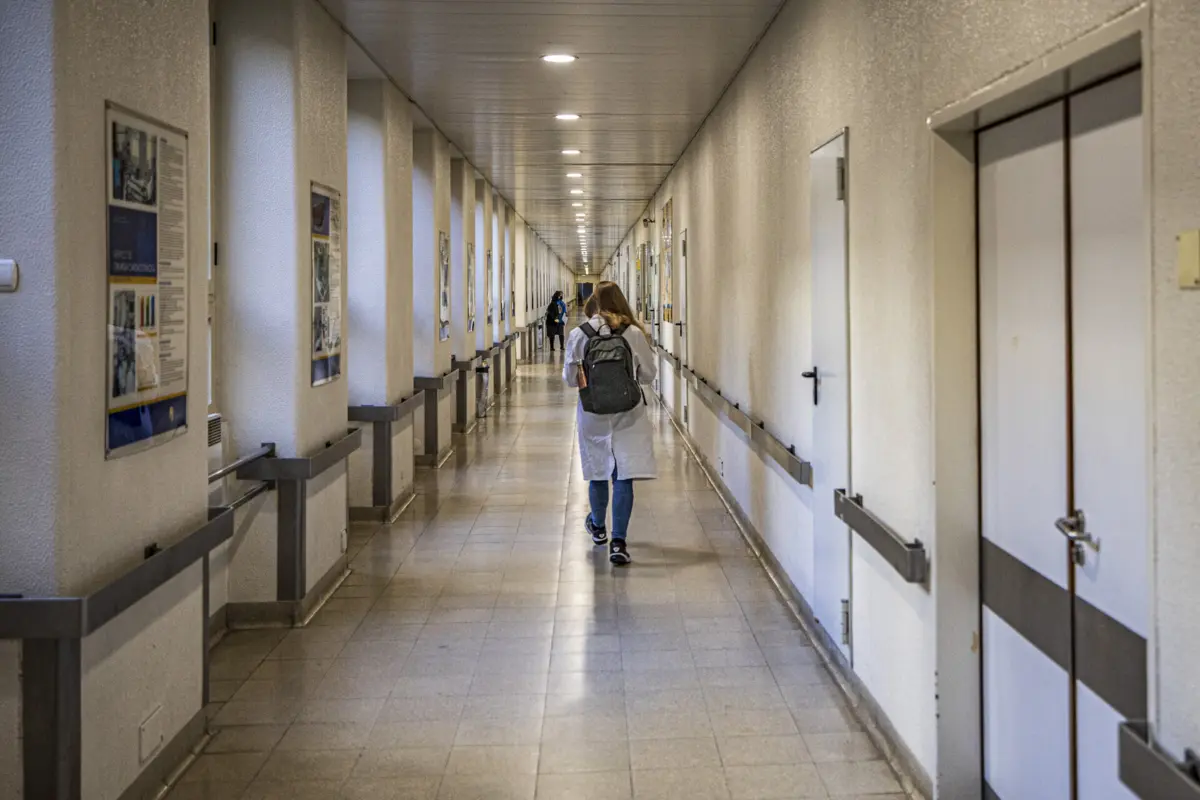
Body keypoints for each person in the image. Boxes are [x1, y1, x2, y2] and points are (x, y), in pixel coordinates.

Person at [563, 282, 657, 564]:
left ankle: (598, 528)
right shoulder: (633, 334)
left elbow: (570, 379)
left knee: (598, 471)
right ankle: (619, 542)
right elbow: (649, 375)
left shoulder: (579, 334)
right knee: (624, 474)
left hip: (593, 414)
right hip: (629, 414)